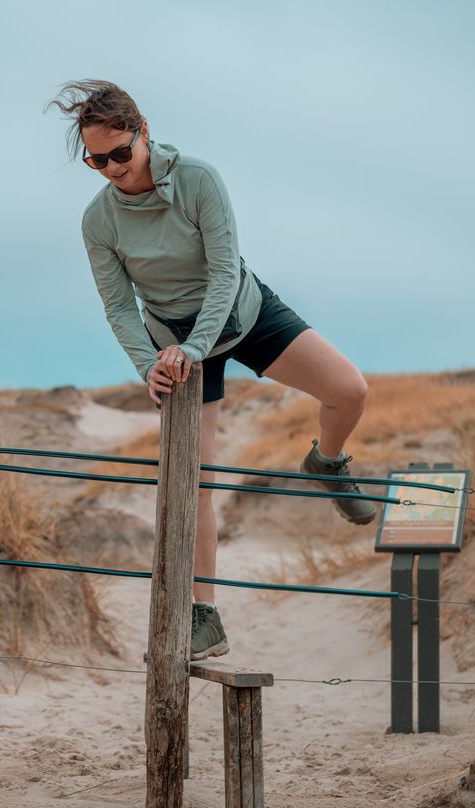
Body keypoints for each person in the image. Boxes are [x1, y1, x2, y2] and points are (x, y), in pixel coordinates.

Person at [48, 80, 375, 661]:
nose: (110, 169)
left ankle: (327, 462)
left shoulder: (199, 179)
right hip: (174, 346)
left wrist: (197, 348)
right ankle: (204, 617)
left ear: (143, 131)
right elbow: (120, 306)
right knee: (191, 480)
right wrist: (150, 365)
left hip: (243, 314)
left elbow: (224, 273)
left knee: (349, 389)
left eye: (120, 153)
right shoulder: (98, 221)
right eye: (95, 160)